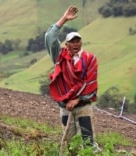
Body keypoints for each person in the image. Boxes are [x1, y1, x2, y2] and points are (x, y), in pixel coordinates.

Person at [45, 5, 100, 155]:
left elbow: (90, 83)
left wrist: (77, 99)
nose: (75, 44)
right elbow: (50, 38)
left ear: (81, 43)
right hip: (65, 106)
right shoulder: (60, 56)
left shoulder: (89, 59)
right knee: (69, 143)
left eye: (78, 41)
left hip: (83, 106)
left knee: (88, 141)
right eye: (72, 42)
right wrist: (63, 19)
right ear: (67, 44)